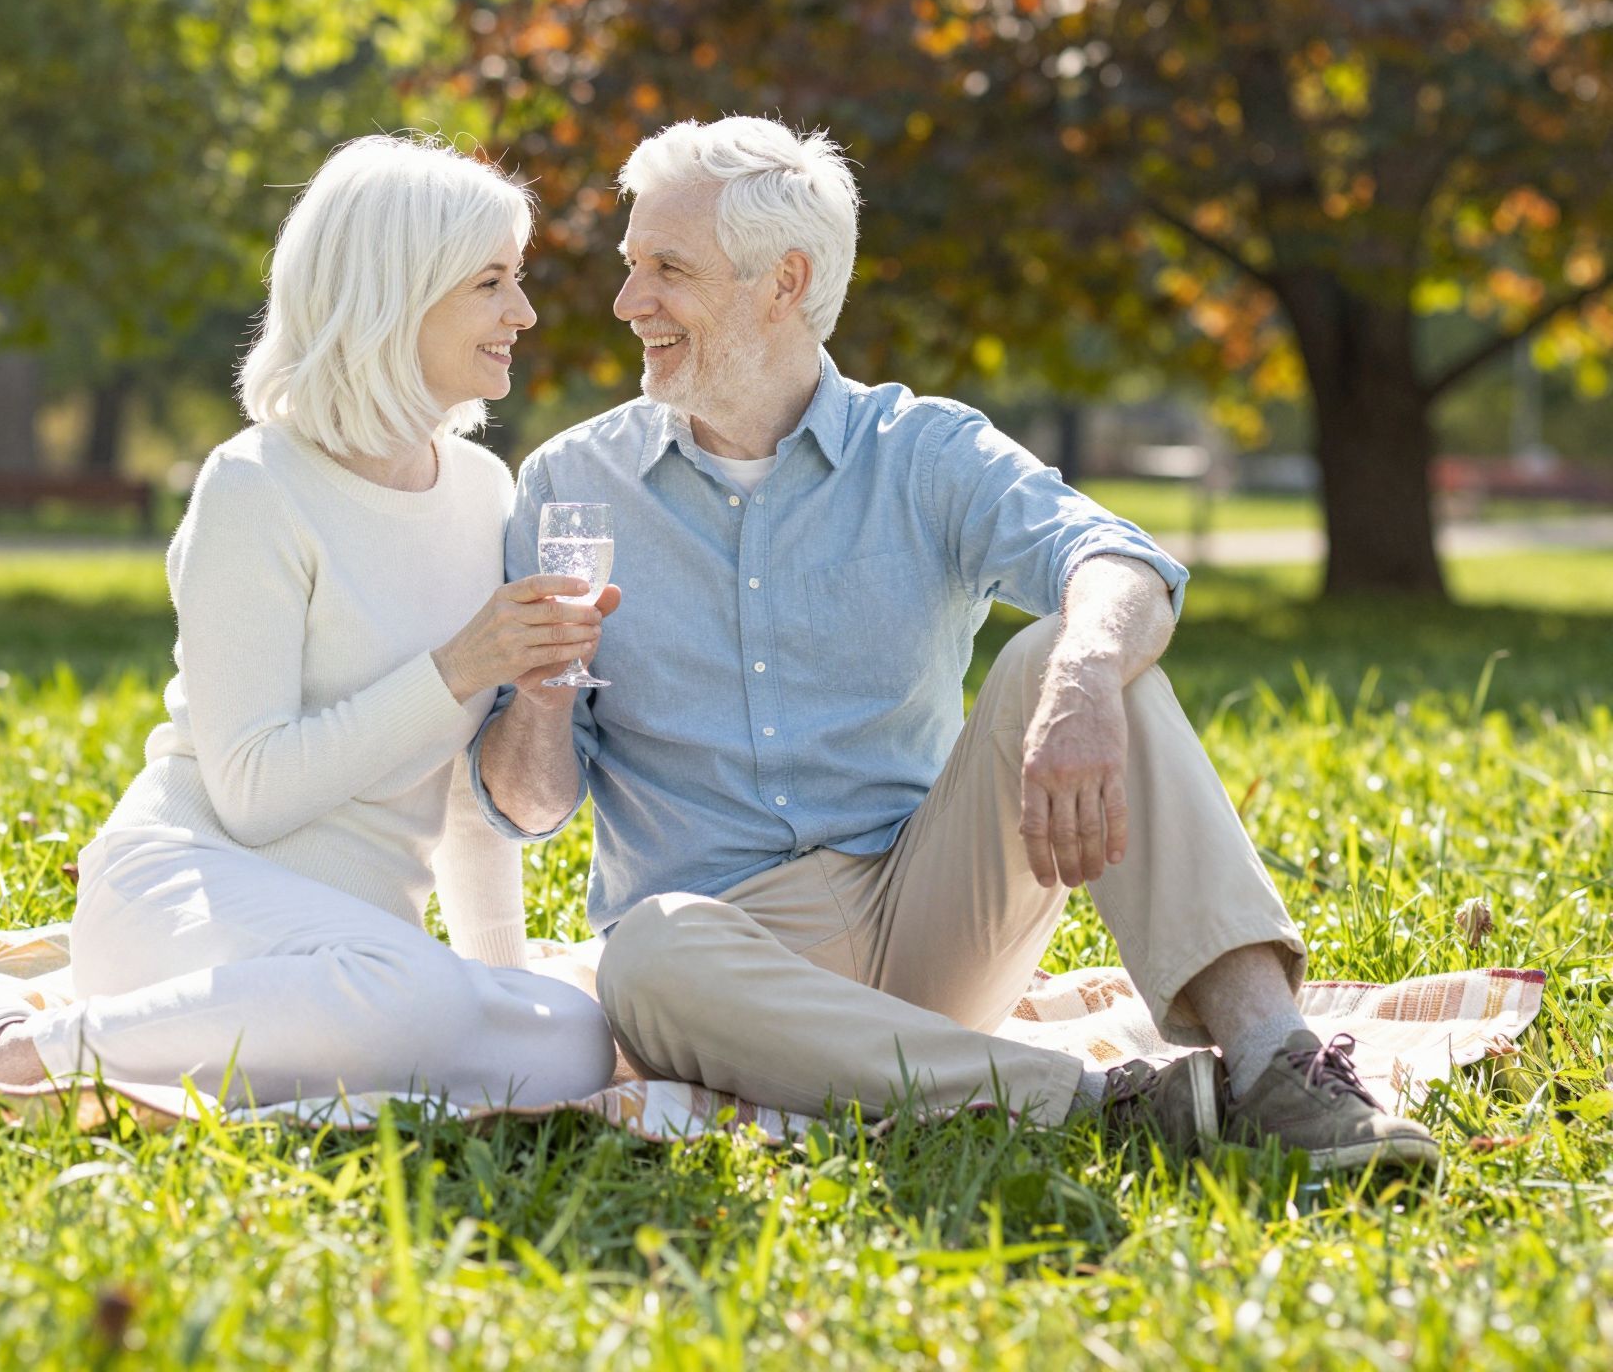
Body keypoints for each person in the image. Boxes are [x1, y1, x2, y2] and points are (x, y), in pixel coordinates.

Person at [470, 115, 1439, 1171]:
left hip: (925, 909)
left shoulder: (921, 449)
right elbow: (528, 807)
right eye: (629, 266)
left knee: (1079, 649)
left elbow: (1122, 563)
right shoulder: (569, 485)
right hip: (722, 956)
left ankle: (1274, 1066)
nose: (627, 302)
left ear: (782, 281)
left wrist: (1081, 672)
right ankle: (1102, 1104)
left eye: (666, 268)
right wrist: (542, 691)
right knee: (643, 953)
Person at [0, 136, 617, 1107]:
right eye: (490, 282)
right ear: (396, 292)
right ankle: (10, 1054)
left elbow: (462, 794)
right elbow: (249, 792)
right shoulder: (257, 484)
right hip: (191, 890)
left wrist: (498, 974)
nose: (522, 313)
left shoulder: (484, 490)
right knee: (412, 997)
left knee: (573, 1037)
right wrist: (456, 668)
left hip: (353, 952)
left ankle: (390, 1014)